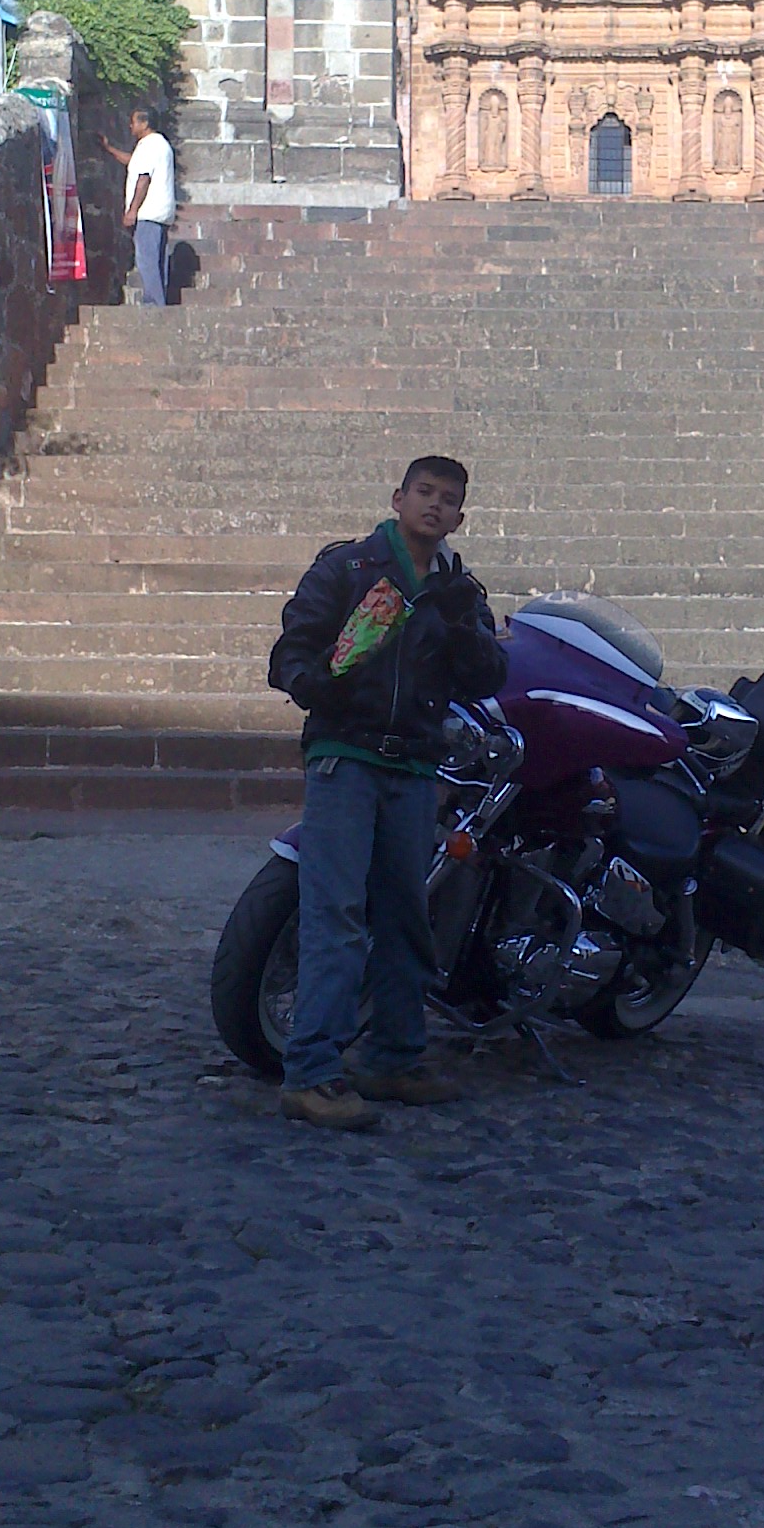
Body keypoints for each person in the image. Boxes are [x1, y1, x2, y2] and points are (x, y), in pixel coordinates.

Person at [267, 457, 506, 1131]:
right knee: (337, 916)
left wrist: (463, 623)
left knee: (407, 917)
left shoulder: (460, 589)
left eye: (448, 500)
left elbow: (489, 675)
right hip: (346, 758)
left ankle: (395, 1058)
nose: (434, 506)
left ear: (460, 518)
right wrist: (323, 681)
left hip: (414, 768)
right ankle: (312, 1073)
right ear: (398, 497)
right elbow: (289, 656)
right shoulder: (345, 569)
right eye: (424, 493)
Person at [99, 105, 175, 306]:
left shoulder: (149, 145)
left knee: (147, 260)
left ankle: (154, 303)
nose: (130, 126)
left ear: (145, 123)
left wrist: (132, 210)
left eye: (134, 122)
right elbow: (134, 162)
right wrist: (109, 149)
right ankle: (159, 300)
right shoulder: (159, 145)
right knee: (157, 261)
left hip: (148, 212)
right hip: (161, 212)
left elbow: (143, 178)